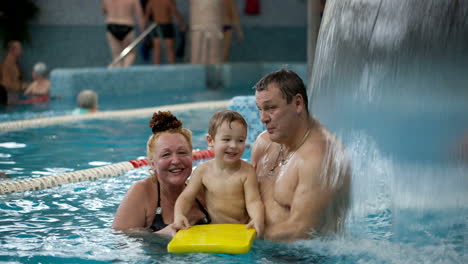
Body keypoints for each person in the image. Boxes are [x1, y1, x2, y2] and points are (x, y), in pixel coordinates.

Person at [251, 69, 351, 242]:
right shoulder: (264, 143)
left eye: (271, 108)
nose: (263, 118)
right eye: (260, 109)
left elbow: (301, 231)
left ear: (298, 103)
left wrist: (247, 237)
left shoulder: (320, 158)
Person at [112, 111, 211, 235]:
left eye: (182, 153)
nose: (175, 160)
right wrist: (160, 235)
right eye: (166, 154)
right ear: (153, 163)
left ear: (192, 156)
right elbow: (120, 240)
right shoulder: (142, 192)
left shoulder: (201, 191)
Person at [173, 110, 264, 236]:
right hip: (215, 232)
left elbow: (253, 201)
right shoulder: (203, 171)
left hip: (241, 232)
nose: (233, 145)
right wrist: (179, 215)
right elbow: (186, 197)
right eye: (226, 139)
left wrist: (257, 219)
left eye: (240, 140)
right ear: (210, 141)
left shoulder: (247, 172)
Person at [102, 0, 145, 67]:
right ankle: (124, 70)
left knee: (117, 56)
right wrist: (143, 32)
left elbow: (104, 10)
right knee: (131, 54)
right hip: (127, 25)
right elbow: (140, 16)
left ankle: (118, 71)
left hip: (112, 25)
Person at [145, 0, 186, 64]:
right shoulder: (168, 1)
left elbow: (147, 16)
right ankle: (172, 69)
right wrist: (182, 24)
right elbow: (175, 12)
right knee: (170, 50)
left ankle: (156, 70)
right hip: (166, 25)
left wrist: (145, 28)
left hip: (156, 26)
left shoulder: (152, 1)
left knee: (157, 50)